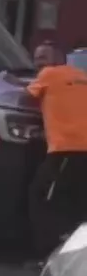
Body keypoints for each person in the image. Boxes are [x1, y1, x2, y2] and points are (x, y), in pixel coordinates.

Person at [27, 42, 87, 254]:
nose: (37, 62)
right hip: (81, 148)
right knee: (78, 202)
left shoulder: (49, 74)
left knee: (42, 198)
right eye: (35, 57)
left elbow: (24, 98)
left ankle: (47, 254)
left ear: (58, 60)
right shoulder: (81, 76)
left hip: (68, 148)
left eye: (43, 57)